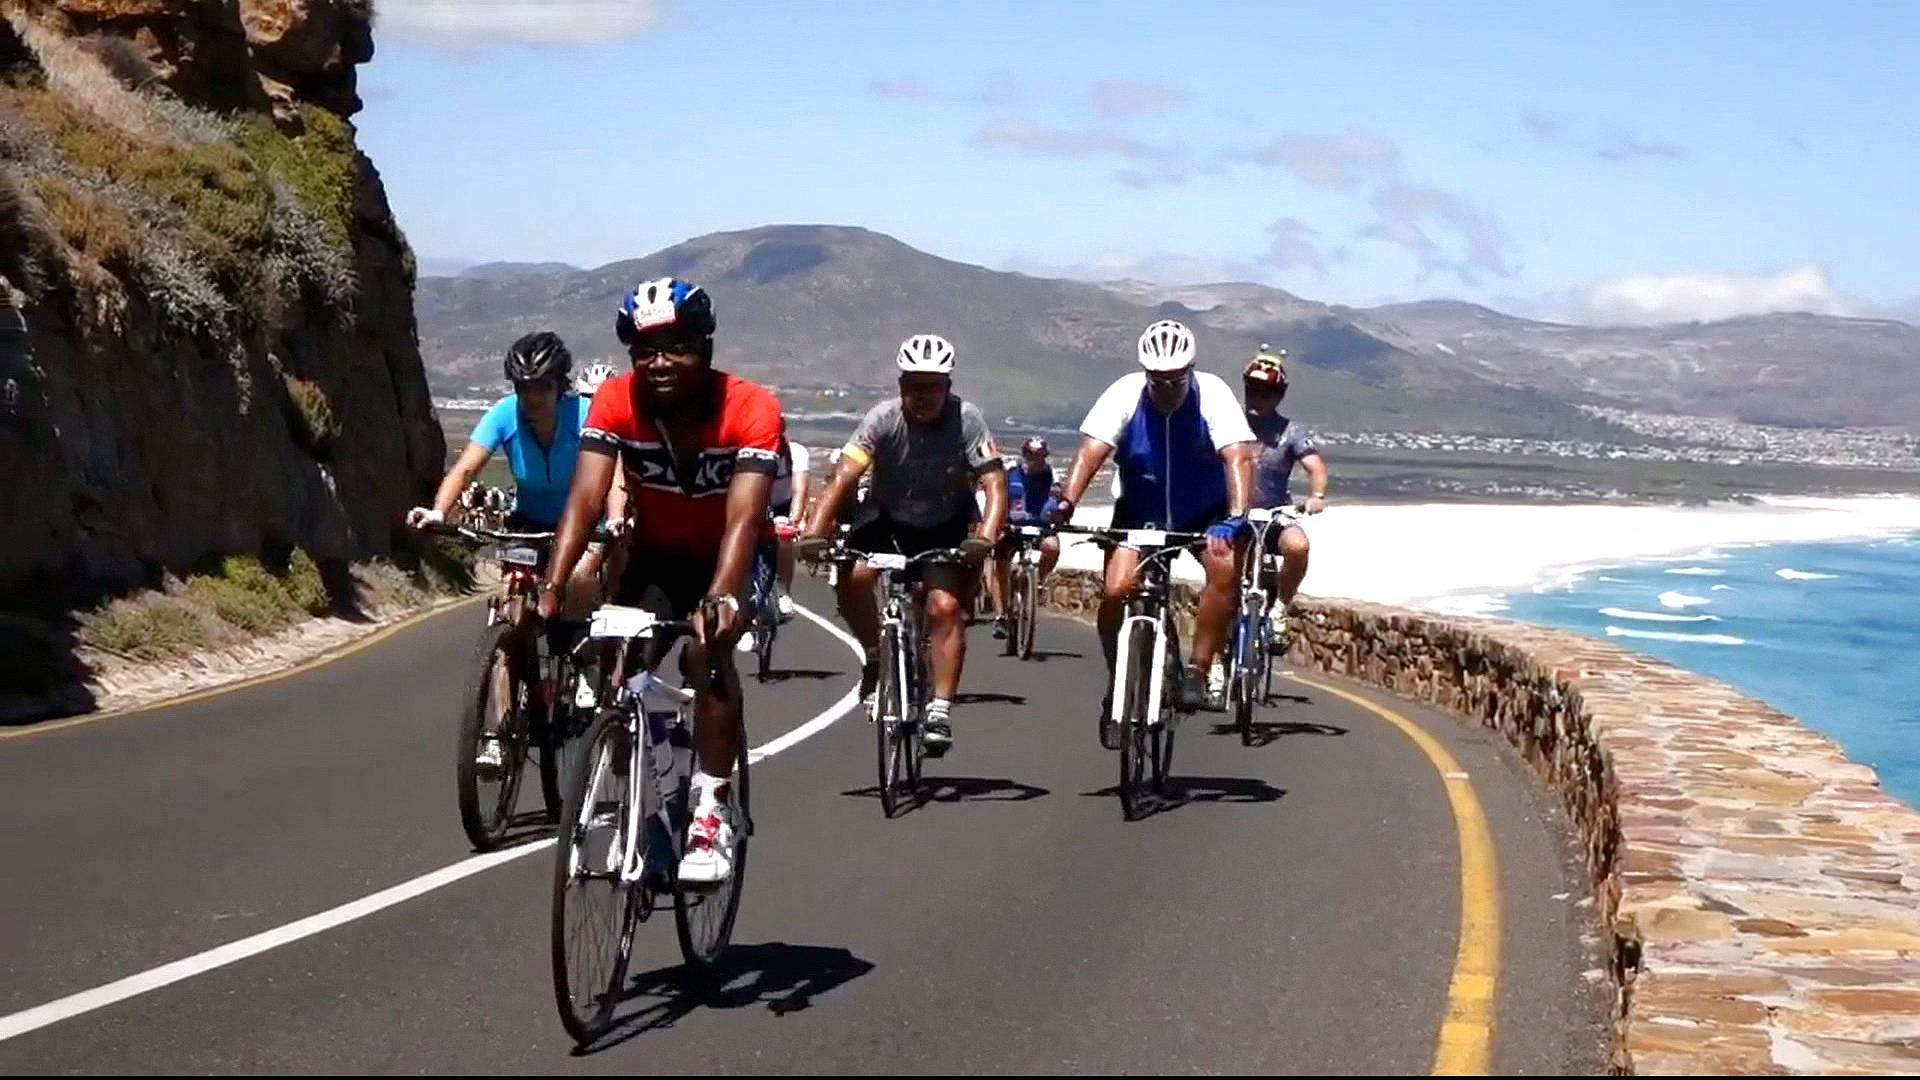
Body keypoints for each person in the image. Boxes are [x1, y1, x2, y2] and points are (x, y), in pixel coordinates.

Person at [538, 277, 781, 886]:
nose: (660, 362)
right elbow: (585, 500)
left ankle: (711, 809)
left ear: (706, 346)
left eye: (677, 346)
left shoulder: (751, 407)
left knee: (705, 652)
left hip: (733, 554)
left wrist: (721, 597)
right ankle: (642, 792)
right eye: (645, 350)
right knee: (621, 664)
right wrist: (553, 587)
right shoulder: (616, 401)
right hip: (658, 555)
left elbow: (744, 518)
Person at [798, 333, 1007, 757]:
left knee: (944, 607)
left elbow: (995, 483)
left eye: (933, 387)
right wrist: (815, 532)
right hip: (886, 518)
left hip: (945, 522)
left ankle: (940, 709)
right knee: (854, 577)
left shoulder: (968, 420)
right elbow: (844, 476)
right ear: (901, 386)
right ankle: (875, 657)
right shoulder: (882, 419)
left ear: (948, 387)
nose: (923, 396)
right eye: (914, 386)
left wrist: (984, 538)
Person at [1051, 319, 1255, 734]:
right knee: (1115, 590)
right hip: (1140, 512)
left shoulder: (1212, 393)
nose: (1166, 388)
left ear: (1190, 371)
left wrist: (1236, 516)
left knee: (1224, 567)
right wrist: (1066, 502)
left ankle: (1198, 670)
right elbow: (1091, 452)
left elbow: (1239, 457)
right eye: (1157, 380)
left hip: (1203, 512)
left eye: (1175, 380)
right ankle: (1119, 677)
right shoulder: (1124, 393)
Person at [407, 332, 619, 620]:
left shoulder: (585, 415)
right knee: (509, 593)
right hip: (527, 523)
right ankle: (510, 643)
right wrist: (439, 511)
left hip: (583, 526)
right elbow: (465, 469)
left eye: (542, 387)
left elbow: (614, 470)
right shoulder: (504, 414)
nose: (532, 397)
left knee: (577, 582)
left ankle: (578, 646)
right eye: (523, 387)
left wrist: (615, 517)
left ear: (560, 385)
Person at [1241, 345, 1329, 642]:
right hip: (1234, 514)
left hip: (1275, 516)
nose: (1257, 398)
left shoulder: (1290, 432)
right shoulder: (1229, 424)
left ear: (1279, 396)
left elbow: (1315, 465)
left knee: (1297, 547)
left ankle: (1280, 607)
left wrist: (1317, 495)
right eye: (1252, 390)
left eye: (1266, 393)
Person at [987, 436, 1062, 639]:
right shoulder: (1010, 471)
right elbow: (998, 496)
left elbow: (1056, 500)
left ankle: (1038, 582)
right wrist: (999, 522)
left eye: (1040, 456)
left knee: (1052, 547)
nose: (1034, 460)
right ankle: (1001, 614)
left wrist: (1056, 515)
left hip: (1039, 526)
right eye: (1030, 455)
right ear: (1024, 454)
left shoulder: (1052, 475)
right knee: (999, 557)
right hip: (1012, 526)